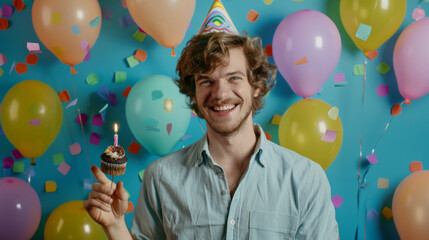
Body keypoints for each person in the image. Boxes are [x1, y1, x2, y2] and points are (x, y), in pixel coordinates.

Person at [84, 31, 339, 239]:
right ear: (193, 94)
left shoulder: (306, 179)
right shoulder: (160, 178)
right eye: (206, 81)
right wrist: (116, 226)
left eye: (234, 78)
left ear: (257, 86)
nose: (220, 93)